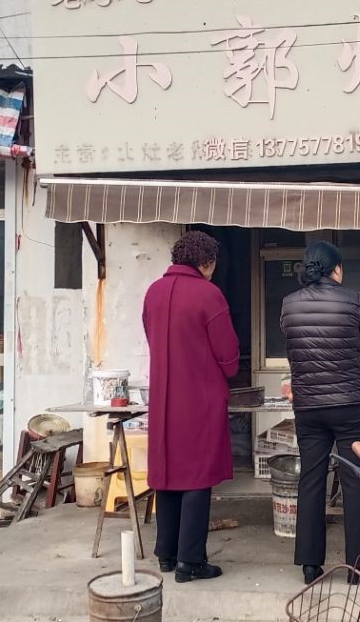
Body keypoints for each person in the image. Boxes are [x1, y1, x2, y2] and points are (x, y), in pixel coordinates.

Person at [142, 230, 240, 583]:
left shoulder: (153, 292)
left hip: (164, 397)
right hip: (200, 397)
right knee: (199, 476)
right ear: (207, 262)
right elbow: (228, 355)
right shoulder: (208, 295)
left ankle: (166, 554)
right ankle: (191, 561)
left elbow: (152, 337)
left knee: (168, 475)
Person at [280, 241, 360, 585]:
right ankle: (359, 567)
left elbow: (293, 344)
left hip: (308, 406)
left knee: (311, 479)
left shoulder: (288, 304)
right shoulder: (353, 300)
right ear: (336, 269)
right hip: (351, 404)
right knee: (355, 480)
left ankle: (310, 565)